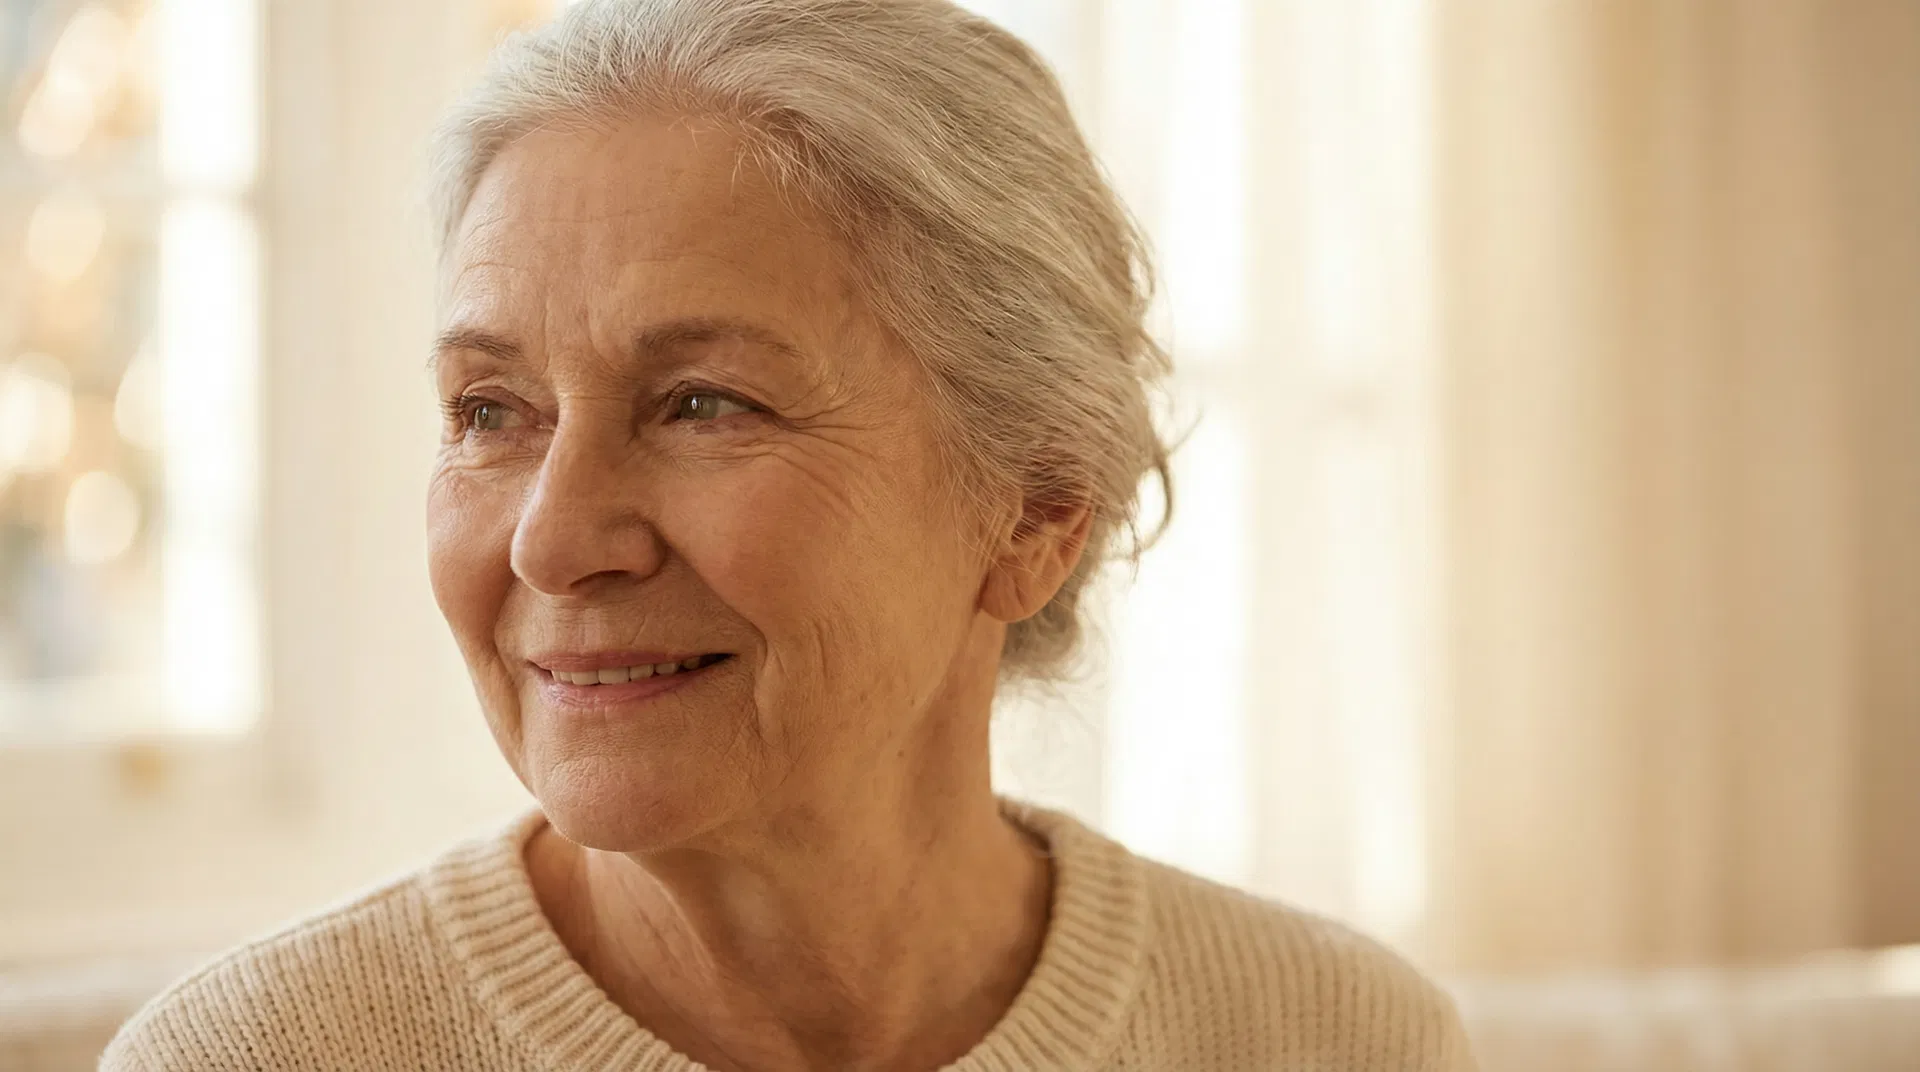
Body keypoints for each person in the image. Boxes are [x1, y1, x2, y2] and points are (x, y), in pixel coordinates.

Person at [104, 1, 1476, 1068]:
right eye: (489, 411)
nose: (553, 538)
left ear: (1040, 506)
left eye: (702, 403)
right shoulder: (250, 1060)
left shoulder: (1340, 1040)